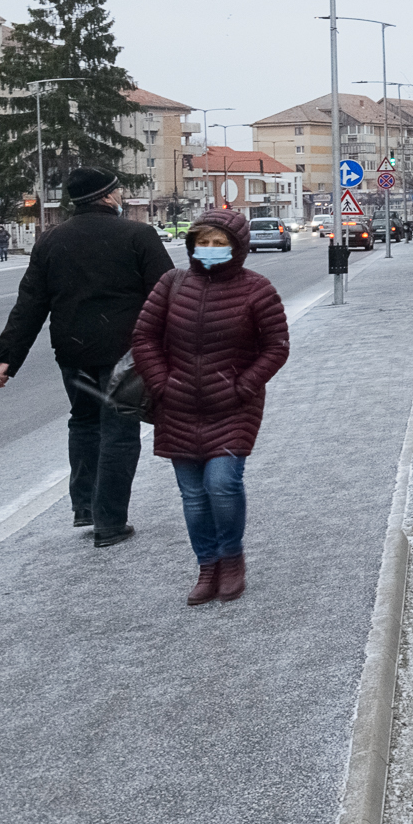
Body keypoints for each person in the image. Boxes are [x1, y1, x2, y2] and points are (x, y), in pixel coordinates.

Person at [0, 167, 174, 544]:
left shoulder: (52, 240)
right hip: (127, 352)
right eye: (118, 190)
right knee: (120, 432)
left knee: (85, 423)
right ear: (107, 196)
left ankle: (86, 507)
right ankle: (108, 523)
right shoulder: (138, 234)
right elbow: (166, 295)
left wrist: (7, 357)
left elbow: (30, 304)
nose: (121, 195)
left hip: (73, 351)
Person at [129, 205, 288, 604]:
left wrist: (242, 386)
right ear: (192, 244)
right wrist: (162, 384)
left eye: (220, 243)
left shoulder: (257, 289)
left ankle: (232, 559)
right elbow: (144, 338)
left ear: (238, 247)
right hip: (177, 404)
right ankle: (207, 565)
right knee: (193, 495)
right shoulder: (171, 283)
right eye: (204, 242)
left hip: (233, 405)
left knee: (222, 483)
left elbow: (276, 347)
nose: (211, 248)